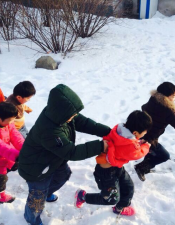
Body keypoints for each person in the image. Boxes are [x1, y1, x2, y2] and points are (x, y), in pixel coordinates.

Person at [18, 84, 111, 225]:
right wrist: (100, 146)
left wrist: (107, 132)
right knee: (37, 199)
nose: (74, 117)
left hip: (53, 159)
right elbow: (71, 152)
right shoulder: (49, 131)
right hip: (36, 168)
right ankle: (32, 219)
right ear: (61, 112)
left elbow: (83, 122)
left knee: (63, 175)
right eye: (72, 115)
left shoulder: (60, 114)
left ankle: (46, 193)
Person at [74, 110, 152, 216]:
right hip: (106, 174)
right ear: (135, 133)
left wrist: (138, 142)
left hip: (117, 168)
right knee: (110, 199)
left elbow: (125, 144)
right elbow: (137, 153)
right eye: (145, 132)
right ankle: (82, 196)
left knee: (128, 188)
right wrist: (146, 146)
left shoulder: (119, 130)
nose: (146, 133)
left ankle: (119, 208)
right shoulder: (131, 146)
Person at [0, 102, 24, 203]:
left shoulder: (7, 123)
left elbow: (16, 136)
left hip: (3, 157)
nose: (11, 122)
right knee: (1, 178)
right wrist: (16, 155)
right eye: (10, 120)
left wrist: (25, 149)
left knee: (13, 165)